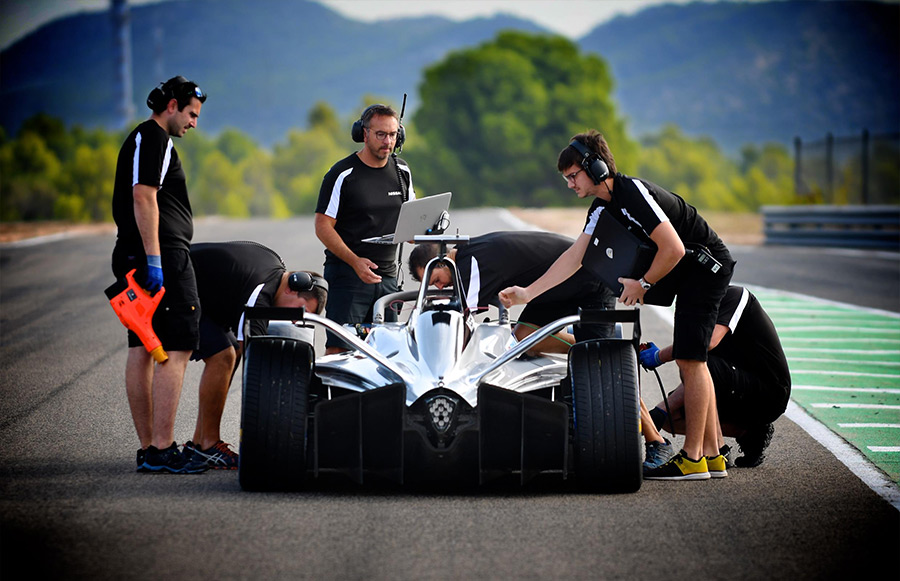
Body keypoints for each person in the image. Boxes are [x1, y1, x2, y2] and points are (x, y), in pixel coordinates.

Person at [499, 130, 736, 481]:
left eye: (573, 175)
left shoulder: (632, 193)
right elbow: (575, 257)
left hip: (705, 267)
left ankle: (692, 459)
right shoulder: (601, 209)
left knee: (691, 359)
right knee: (692, 358)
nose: (569, 184)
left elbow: (674, 248)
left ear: (595, 168)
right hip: (689, 273)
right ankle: (711, 457)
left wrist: (643, 284)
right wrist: (528, 294)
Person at [111, 76, 208, 473]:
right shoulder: (154, 138)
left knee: (144, 345)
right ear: (171, 105)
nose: (193, 123)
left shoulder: (145, 138)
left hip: (141, 252)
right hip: (160, 255)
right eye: (190, 114)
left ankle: (152, 448)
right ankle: (163, 448)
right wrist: (154, 259)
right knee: (179, 344)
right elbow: (143, 195)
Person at [184, 241, 328, 469]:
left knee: (232, 351)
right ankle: (207, 446)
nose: (293, 320)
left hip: (193, 287)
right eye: (298, 311)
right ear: (292, 287)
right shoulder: (261, 292)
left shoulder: (274, 270)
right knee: (224, 355)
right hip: (171, 284)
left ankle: (199, 442)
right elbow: (257, 359)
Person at [641, 285, 791, 468]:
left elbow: (706, 343)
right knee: (670, 420)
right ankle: (746, 434)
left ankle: (715, 451)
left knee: (693, 360)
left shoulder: (734, 295)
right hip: (732, 385)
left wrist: (659, 357)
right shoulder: (694, 306)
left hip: (768, 391)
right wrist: (663, 413)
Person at [408, 231, 616, 353]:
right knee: (523, 339)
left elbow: (462, 325)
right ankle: (578, 344)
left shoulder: (468, 267)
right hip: (552, 291)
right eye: (433, 286)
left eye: (436, 280)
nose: (441, 288)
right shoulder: (467, 251)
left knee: (598, 362)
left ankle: (592, 346)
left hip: (590, 281)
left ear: (443, 260)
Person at [315, 104, 415, 354]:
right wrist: (355, 261)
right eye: (381, 134)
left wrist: (424, 234)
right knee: (341, 350)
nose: (388, 141)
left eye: (393, 134)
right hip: (348, 276)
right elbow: (322, 226)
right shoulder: (342, 173)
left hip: (388, 278)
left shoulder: (402, 171)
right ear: (364, 133)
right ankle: (338, 395)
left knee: (388, 353)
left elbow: (411, 220)